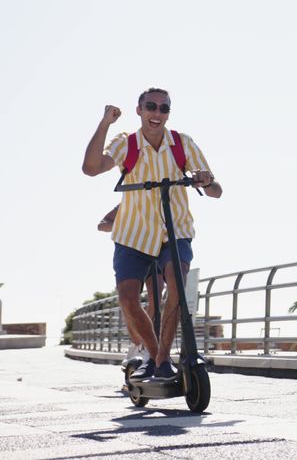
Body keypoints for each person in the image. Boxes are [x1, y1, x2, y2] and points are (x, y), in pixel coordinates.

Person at [82, 88, 222, 382]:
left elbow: (215, 190)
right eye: (151, 107)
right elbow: (91, 168)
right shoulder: (127, 144)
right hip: (134, 234)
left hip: (175, 230)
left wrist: (206, 180)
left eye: (164, 108)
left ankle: (161, 360)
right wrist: (105, 122)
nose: (157, 114)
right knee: (128, 298)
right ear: (140, 110)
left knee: (177, 287)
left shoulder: (182, 144)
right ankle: (152, 353)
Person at [98, 205, 156, 367]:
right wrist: (125, 224)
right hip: (131, 250)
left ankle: (149, 346)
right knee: (129, 302)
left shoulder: (161, 196)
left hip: (156, 247)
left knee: (156, 298)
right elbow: (101, 225)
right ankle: (137, 344)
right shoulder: (127, 202)